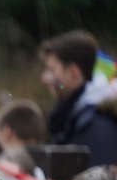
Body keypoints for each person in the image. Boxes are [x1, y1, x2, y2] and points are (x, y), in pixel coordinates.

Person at [40, 30, 117, 166]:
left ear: (73, 72)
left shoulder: (98, 125)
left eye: (52, 70)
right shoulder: (74, 114)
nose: (44, 78)